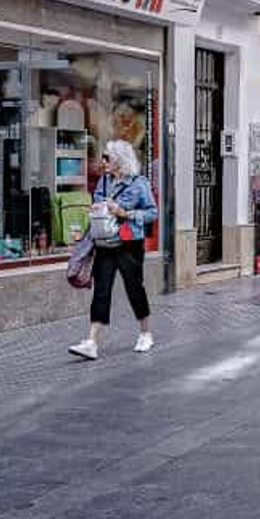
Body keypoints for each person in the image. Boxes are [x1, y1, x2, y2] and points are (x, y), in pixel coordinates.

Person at [68, 140, 159, 360]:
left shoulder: (139, 183)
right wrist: (97, 208)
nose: (103, 161)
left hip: (129, 244)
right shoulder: (104, 181)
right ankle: (91, 342)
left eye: (107, 158)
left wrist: (125, 213)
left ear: (119, 160)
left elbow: (152, 213)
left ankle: (145, 333)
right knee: (101, 291)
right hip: (104, 244)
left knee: (134, 288)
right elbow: (98, 204)